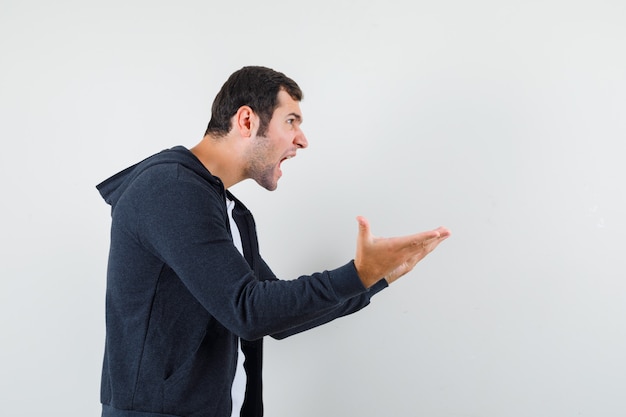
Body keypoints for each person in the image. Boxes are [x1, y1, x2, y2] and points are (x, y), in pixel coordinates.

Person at [96, 66, 451, 417]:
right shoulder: (171, 190)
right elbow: (248, 311)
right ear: (247, 121)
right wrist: (357, 275)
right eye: (291, 121)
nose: (302, 139)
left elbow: (277, 316)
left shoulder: (221, 206)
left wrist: (376, 277)